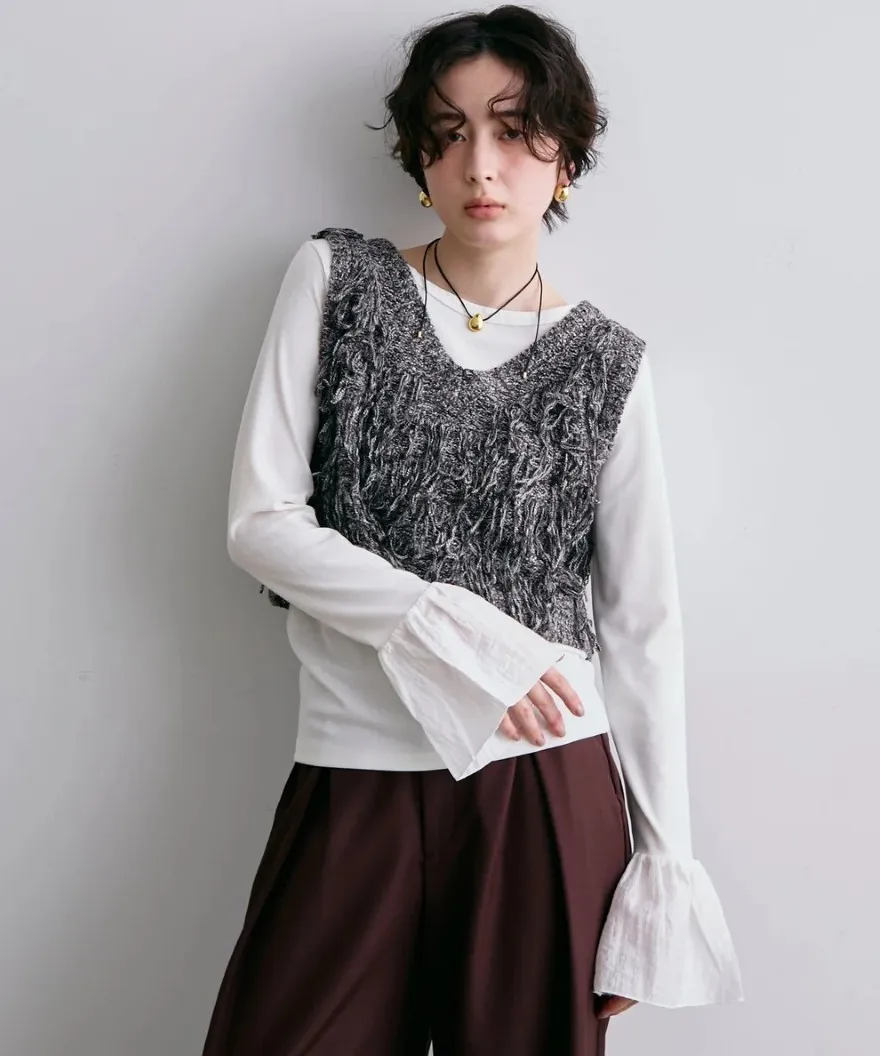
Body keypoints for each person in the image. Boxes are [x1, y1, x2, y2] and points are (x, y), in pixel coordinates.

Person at [201, 6, 743, 1054]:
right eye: (448, 133)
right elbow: (260, 523)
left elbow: (641, 627)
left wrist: (661, 867)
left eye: (514, 129)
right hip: (353, 775)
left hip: (545, 786)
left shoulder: (610, 366)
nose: (480, 164)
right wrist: (449, 628)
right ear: (419, 156)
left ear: (565, 155)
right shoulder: (338, 281)